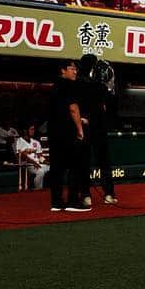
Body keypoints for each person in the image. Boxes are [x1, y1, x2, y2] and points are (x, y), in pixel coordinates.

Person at [47, 59, 88, 213]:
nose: (75, 71)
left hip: (54, 133)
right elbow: (73, 108)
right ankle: (73, 201)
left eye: (75, 69)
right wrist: (80, 128)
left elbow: (59, 111)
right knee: (75, 167)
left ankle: (56, 202)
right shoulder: (69, 85)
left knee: (57, 168)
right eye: (72, 68)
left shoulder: (54, 87)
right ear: (63, 70)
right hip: (67, 133)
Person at [77, 54, 118, 205]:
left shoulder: (78, 83)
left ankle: (86, 195)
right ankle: (108, 194)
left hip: (86, 126)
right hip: (97, 125)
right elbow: (106, 105)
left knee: (84, 161)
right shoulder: (99, 85)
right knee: (104, 161)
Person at [15, 124, 48, 189]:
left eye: (34, 129)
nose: (33, 131)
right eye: (31, 129)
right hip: (27, 165)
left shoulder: (36, 142)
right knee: (40, 171)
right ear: (25, 131)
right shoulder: (19, 141)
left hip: (37, 164)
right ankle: (38, 189)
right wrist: (34, 163)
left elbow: (40, 156)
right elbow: (21, 155)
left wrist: (45, 161)